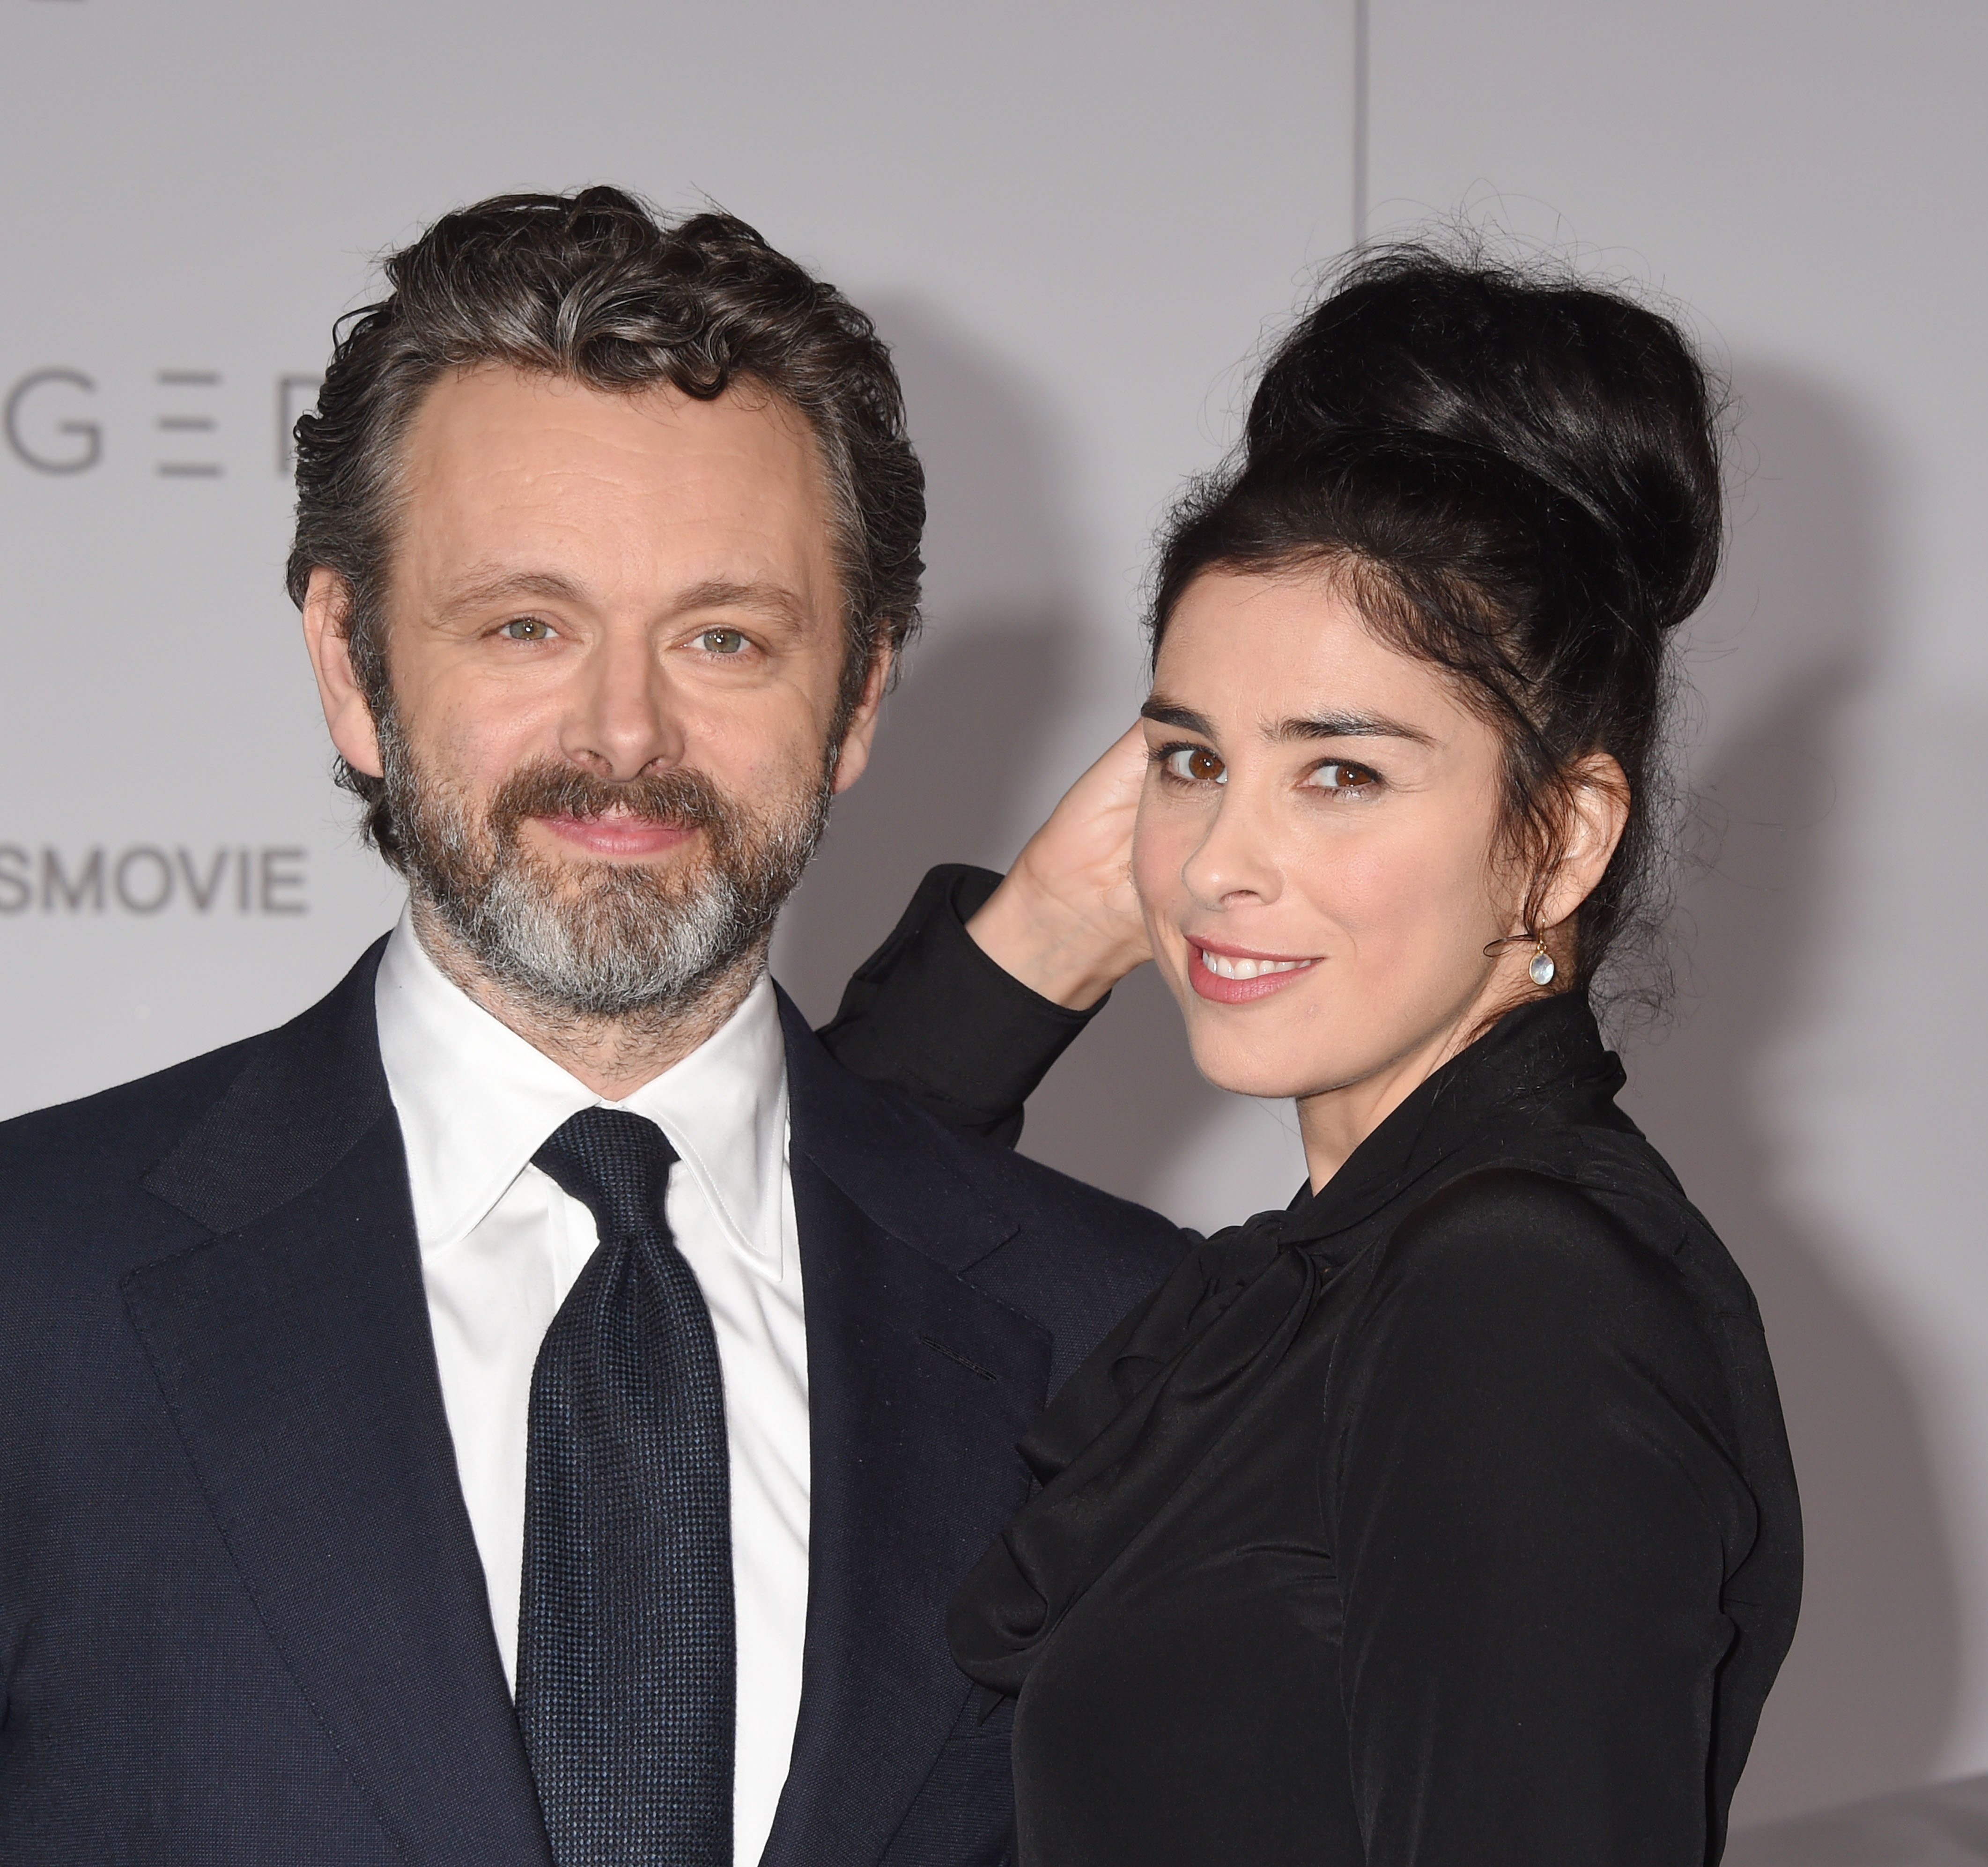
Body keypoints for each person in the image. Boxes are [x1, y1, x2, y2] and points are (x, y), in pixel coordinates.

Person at [0, 189, 1186, 1867]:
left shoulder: (1123, 1345)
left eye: (724, 637)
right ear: (352, 667)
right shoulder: (29, 1294)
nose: (624, 733)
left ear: (856, 698)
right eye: (525, 627)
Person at [822, 246, 1804, 1865]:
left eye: (1340, 773)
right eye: (1191, 758)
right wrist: (1056, 929)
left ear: (1560, 839)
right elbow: (790, 1269)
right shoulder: (1335, 1275)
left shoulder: (1515, 1288)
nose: (1218, 862)